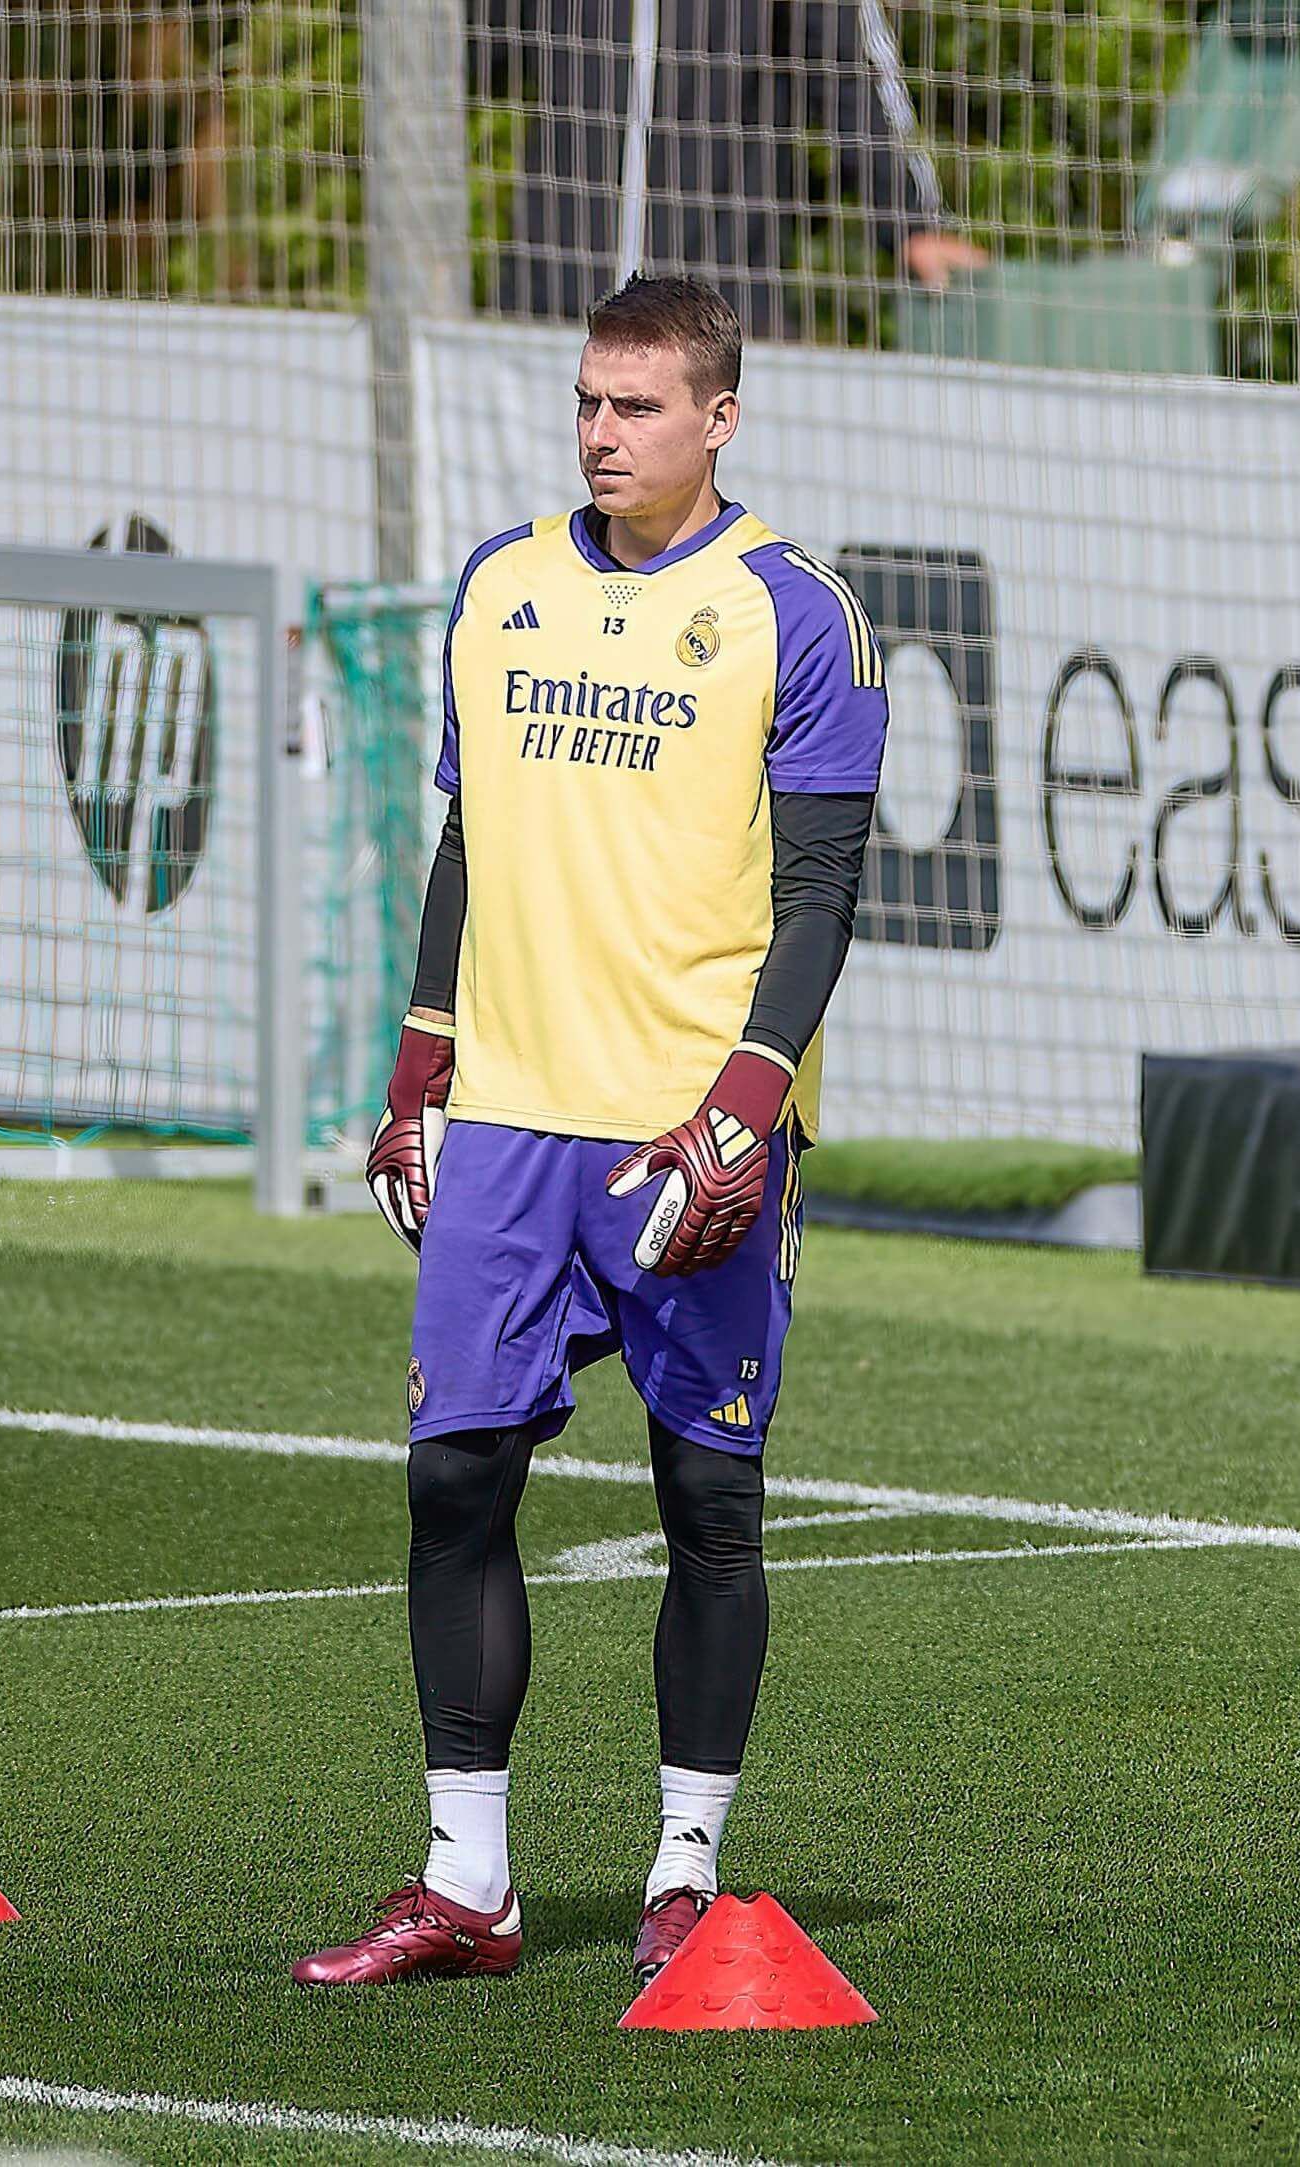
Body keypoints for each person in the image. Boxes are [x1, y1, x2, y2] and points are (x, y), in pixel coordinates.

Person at [298, 273, 888, 1992]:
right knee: (453, 1475)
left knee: (707, 1493)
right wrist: (420, 1062)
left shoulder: (797, 614)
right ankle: (465, 1881)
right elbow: (464, 843)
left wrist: (745, 1106)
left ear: (720, 418)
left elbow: (823, 890)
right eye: (586, 402)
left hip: (686, 1127)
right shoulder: (502, 584)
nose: (602, 434)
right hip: (507, 1118)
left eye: (637, 406)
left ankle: (685, 1868)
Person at [487, 0, 989, 335]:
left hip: (719, 304)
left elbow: (848, 62)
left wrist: (910, 220)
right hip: (552, 298)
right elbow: (475, 47)